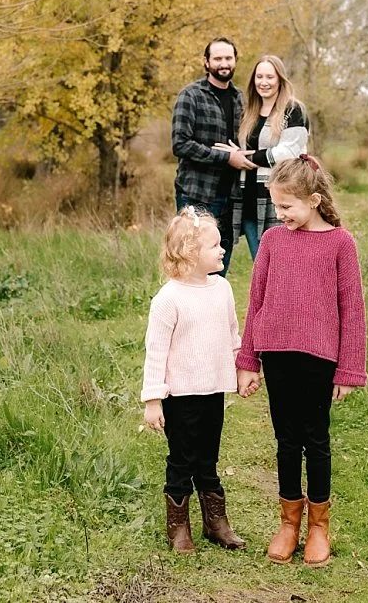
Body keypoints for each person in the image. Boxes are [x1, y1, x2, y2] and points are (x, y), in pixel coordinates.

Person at [235, 155, 367, 567]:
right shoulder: (273, 241)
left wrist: (349, 369)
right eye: (276, 207)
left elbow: (353, 310)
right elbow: (256, 301)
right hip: (277, 355)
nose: (280, 215)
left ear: (313, 200)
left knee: (316, 439)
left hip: (319, 359)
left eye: (286, 207)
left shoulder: (340, 243)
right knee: (286, 440)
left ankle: (318, 527)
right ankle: (289, 523)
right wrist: (248, 359)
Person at [141, 209, 246, 554]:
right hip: (180, 395)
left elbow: (233, 334)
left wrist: (242, 367)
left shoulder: (223, 289)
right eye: (214, 245)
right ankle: (179, 529)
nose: (222, 250)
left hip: (213, 390)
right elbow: (155, 353)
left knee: (209, 458)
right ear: (189, 252)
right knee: (182, 459)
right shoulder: (168, 299)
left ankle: (216, 523)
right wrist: (153, 400)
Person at [172, 37, 253, 276]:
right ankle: (185, 313)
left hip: (231, 196)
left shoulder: (241, 99)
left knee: (218, 264)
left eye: (228, 58)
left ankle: (213, 311)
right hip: (196, 194)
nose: (223, 63)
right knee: (191, 263)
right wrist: (225, 158)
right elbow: (180, 144)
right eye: (217, 58)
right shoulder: (191, 96)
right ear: (206, 62)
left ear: (235, 61)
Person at [232, 55, 311, 261]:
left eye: (270, 77)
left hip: (280, 198)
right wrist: (233, 155)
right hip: (249, 198)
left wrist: (252, 157)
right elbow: (241, 150)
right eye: (259, 76)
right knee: (261, 265)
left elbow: (289, 152)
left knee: (285, 265)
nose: (263, 82)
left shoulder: (293, 110)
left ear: (280, 80)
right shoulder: (248, 111)